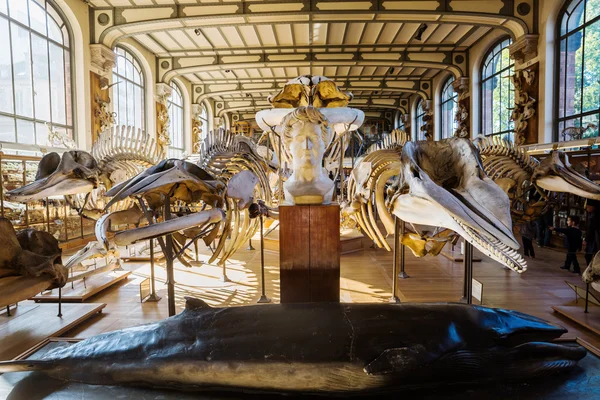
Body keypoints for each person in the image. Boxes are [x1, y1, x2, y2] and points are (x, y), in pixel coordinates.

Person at [583, 199, 600, 266]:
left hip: (594, 239)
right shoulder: (593, 215)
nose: (587, 209)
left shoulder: (594, 216)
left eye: (588, 207)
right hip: (594, 238)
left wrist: (586, 239)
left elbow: (591, 229)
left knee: (590, 255)